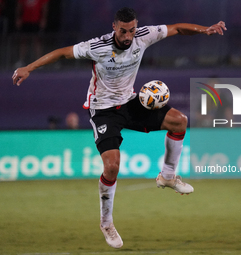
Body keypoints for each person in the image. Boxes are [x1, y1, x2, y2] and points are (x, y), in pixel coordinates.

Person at [12, 7, 226, 248]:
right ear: (114, 27)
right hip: (103, 110)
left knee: (179, 121)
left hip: (129, 102)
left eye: (132, 30)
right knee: (112, 166)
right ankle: (106, 222)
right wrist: (29, 67)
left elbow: (176, 28)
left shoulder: (143, 35)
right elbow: (62, 53)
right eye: (123, 31)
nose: (128, 36)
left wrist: (205, 29)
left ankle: (167, 176)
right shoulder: (97, 46)